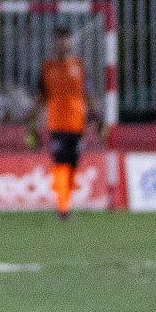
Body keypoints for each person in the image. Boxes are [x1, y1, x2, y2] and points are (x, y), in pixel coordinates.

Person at [27, 27, 105, 220]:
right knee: (60, 162)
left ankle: (65, 199)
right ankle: (63, 206)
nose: (63, 44)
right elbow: (40, 97)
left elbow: (87, 93)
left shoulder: (78, 65)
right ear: (54, 43)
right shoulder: (47, 68)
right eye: (59, 40)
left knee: (72, 164)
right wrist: (32, 121)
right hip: (56, 123)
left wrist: (98, 116)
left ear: (70, 42)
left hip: (77, 123)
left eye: (66, 40)